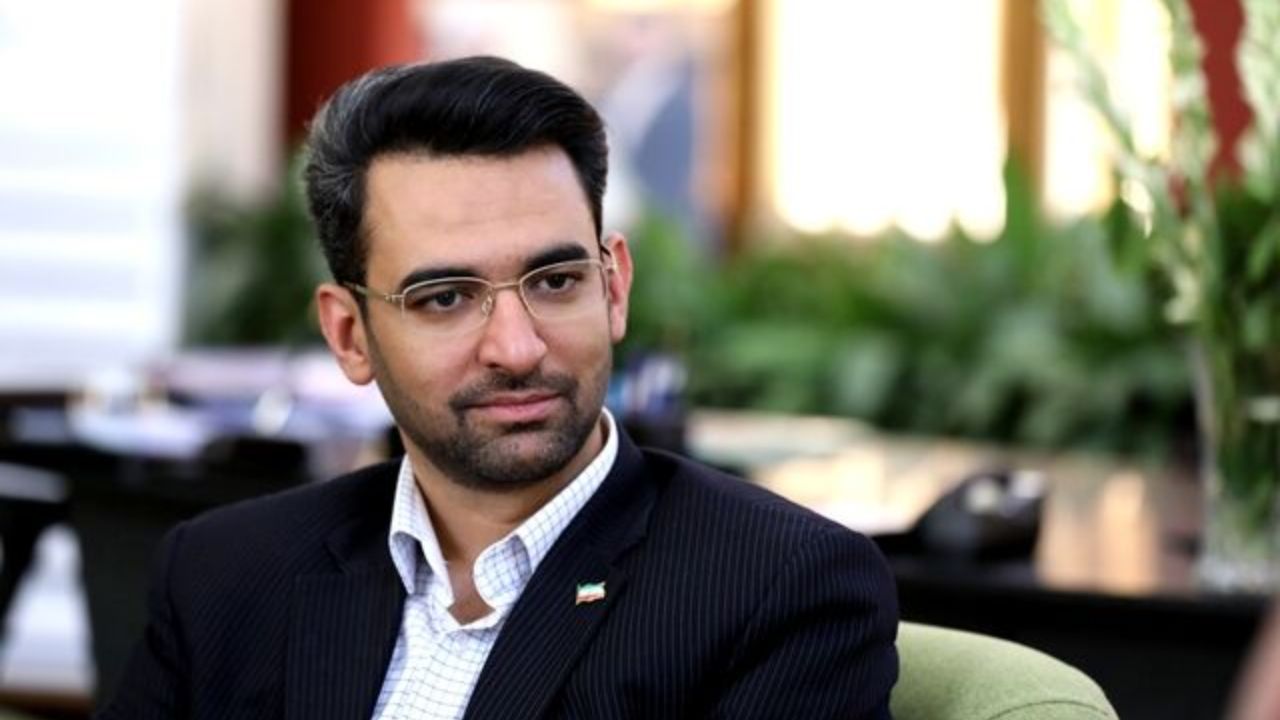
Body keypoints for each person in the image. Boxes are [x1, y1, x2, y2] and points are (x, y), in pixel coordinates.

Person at [97, 56, 898, 719]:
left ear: (614, 287)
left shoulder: (783, 591)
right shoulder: (225, 573)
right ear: (349, 335)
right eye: (445, 298)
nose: (517, 348)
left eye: (555, 281)